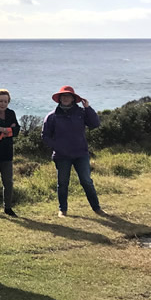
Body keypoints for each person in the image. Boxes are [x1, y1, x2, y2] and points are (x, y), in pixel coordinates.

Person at [41, 85, 105, 217]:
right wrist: (58, 147)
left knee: (87, 181)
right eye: (63, 96)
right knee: (62, 183)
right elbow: (45, 136)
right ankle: (62, 210)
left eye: (68, 96)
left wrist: (88, 108)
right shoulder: (52, 116)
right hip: (61, 156)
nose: (65, 98)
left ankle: (97, 208)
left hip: (81, 153)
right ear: (60, 99)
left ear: (73, 99)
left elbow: (95, 124)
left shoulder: (81, 113)